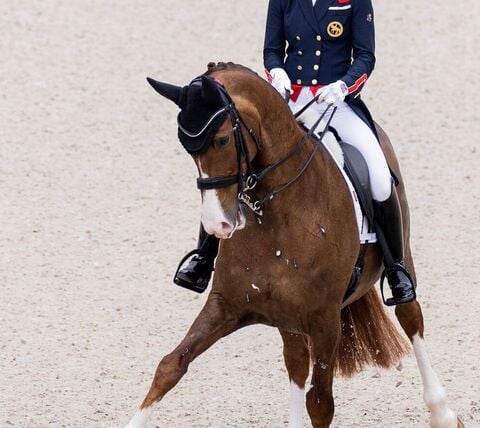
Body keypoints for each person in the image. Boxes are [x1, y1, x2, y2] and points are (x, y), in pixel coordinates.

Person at [173, 0, 416, 306]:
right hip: (289, 101)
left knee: (380, 177)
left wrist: (343, 86)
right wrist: (276, 72)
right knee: (233, 158)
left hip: (335, 103)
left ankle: (395, 269)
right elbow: (272, 49)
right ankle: (204, 258)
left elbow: (365, 57)